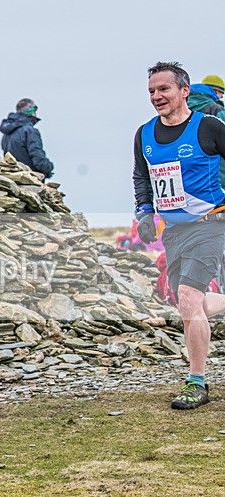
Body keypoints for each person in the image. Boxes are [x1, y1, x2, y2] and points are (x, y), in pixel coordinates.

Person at [132, 61, 225, 409]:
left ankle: (196, 383)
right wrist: (143, 211)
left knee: (187, 298)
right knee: (191, 304)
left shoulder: (209, 127)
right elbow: (142, 176)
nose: (157, 96)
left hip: (210, 225)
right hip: (173, 232)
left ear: (184, 91)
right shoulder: (144, 133)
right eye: (152, 91)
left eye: (164, 89)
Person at [0, 98, 54, 179]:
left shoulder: (7, 133)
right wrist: (48, 168)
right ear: (30, 111)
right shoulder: (29, 131)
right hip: (28, 178)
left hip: (12, 177)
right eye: (34, 110)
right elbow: (37, 155)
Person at [187, 74, 225, 188]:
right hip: (217, 173)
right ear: (214, 91)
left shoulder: (182, 109)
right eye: (220, 94)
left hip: (191, 173)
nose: (221, 98)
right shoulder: (216, 109)